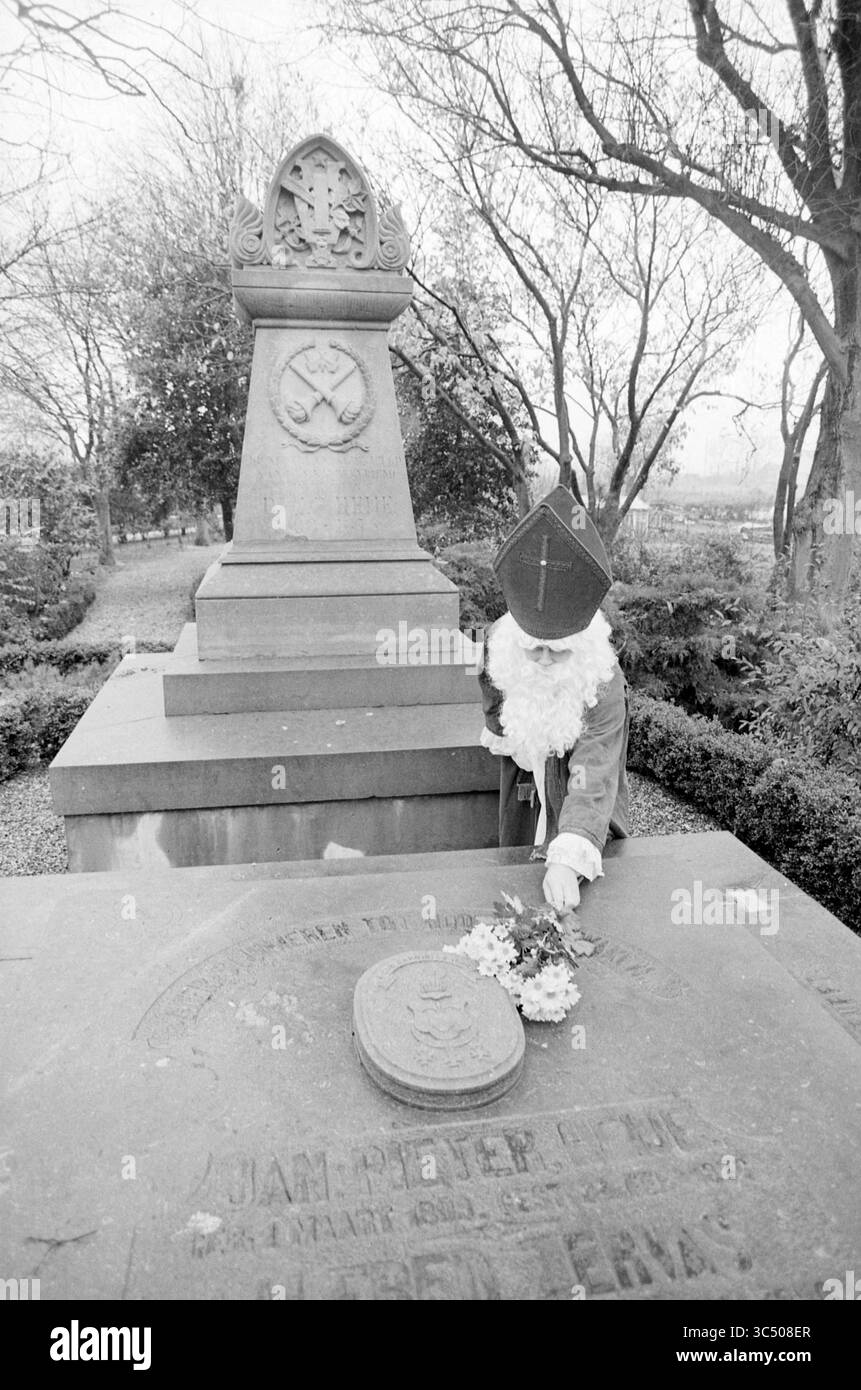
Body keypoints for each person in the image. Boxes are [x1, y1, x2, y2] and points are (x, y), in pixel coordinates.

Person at [479, 484, 630, 913]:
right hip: (528, 780)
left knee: (566, 887)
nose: (543, 660)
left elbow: (595, 767)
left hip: (577, 786)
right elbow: (492, 689)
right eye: (533, 649)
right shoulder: (500, 644)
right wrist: (503, 732)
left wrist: (568, 859)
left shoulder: (602, 677)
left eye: (558, 651)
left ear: (579, 647)